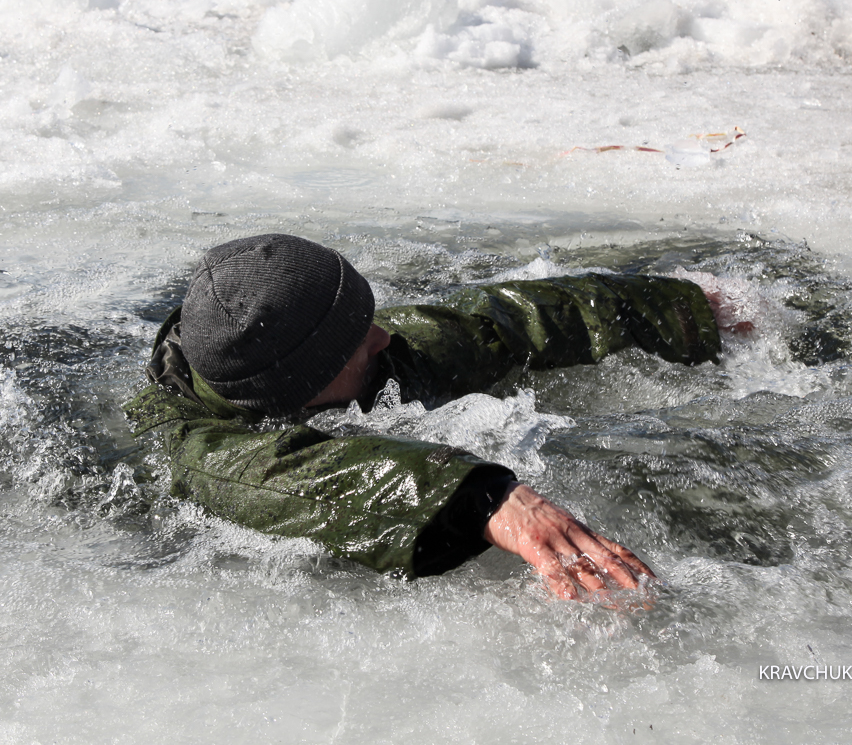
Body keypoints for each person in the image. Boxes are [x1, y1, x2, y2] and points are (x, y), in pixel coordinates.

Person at [124, 234, 725, 600]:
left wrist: (681, 305)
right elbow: (307, 479)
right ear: (300, 387)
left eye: (370, 319)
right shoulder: (201, 452)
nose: (384, 337)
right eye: (355, 341)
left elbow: (497, 322)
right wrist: (485, 499)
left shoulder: (331, 355)